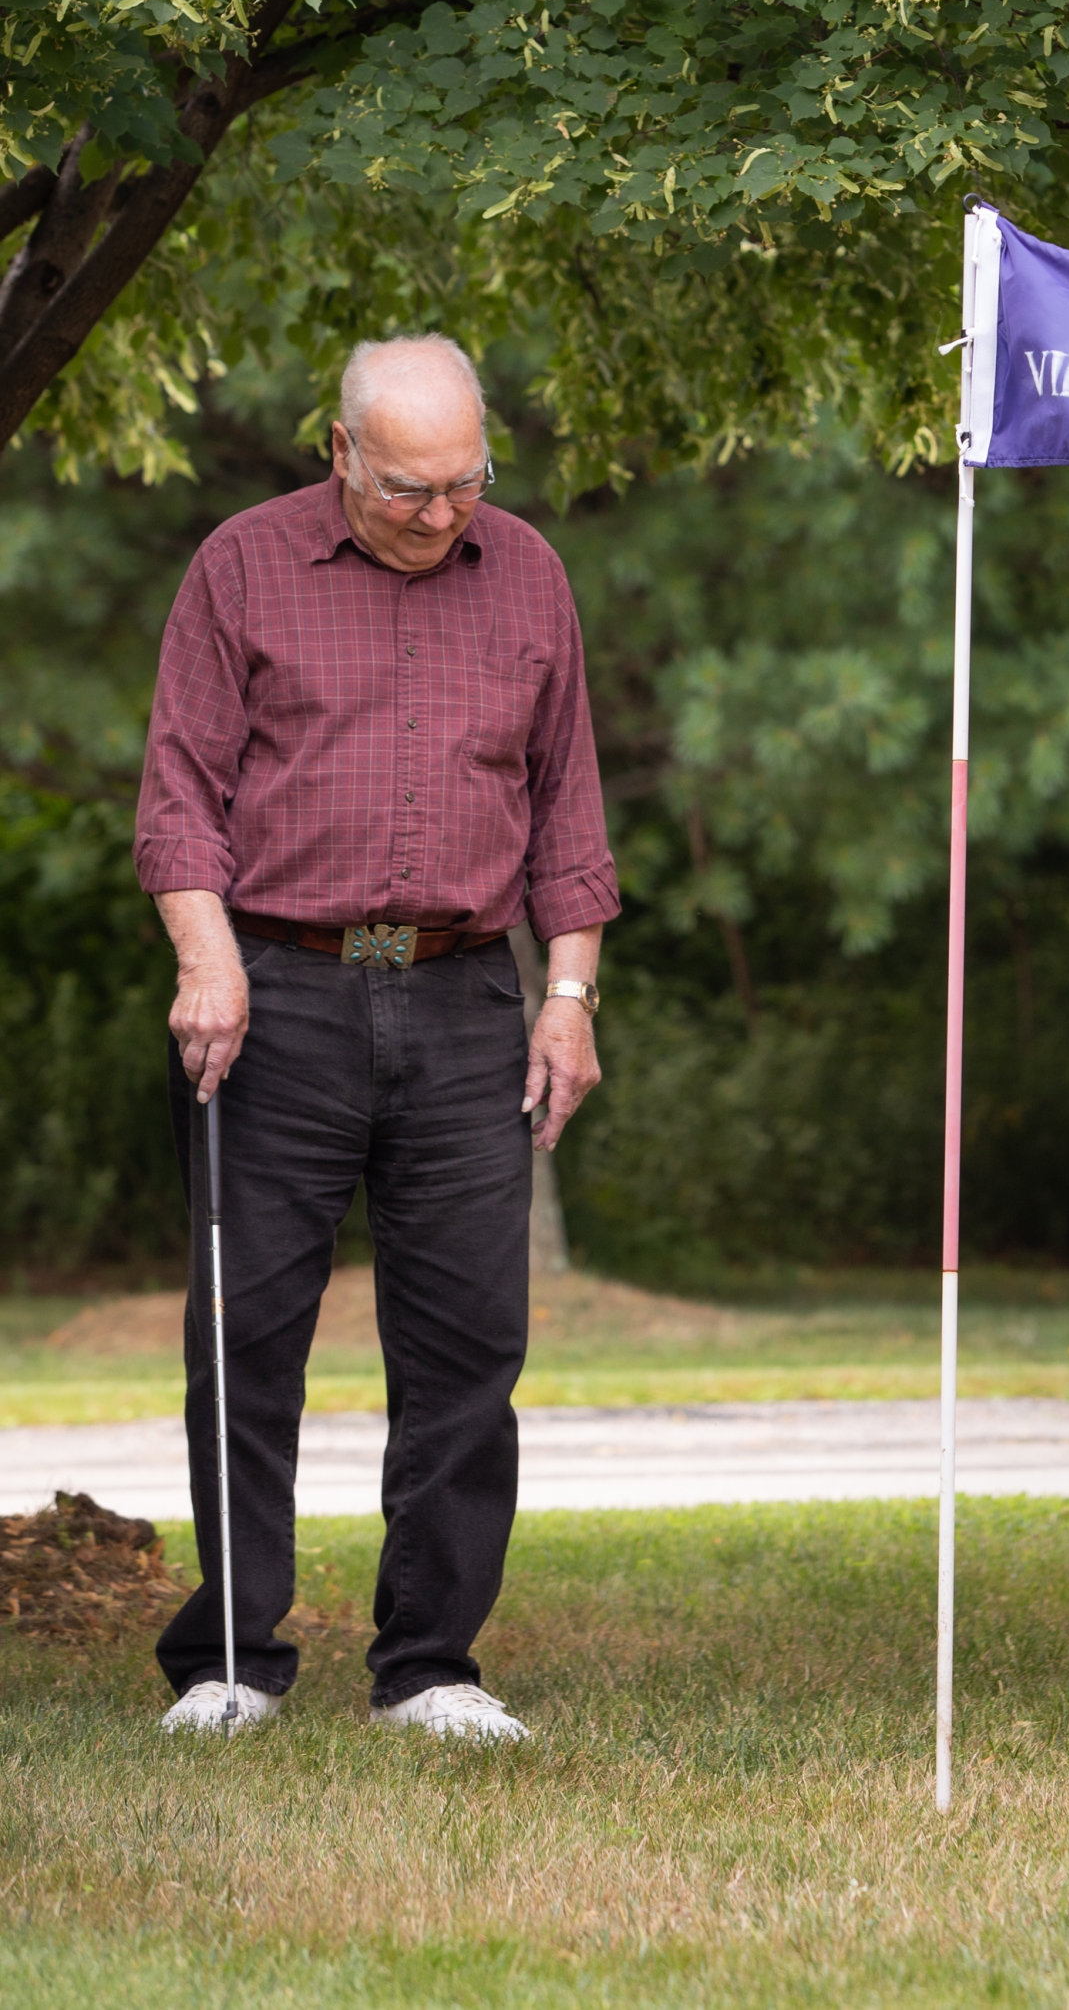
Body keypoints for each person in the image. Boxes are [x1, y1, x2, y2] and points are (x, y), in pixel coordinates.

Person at [134, 333, 619, 1741]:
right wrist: (204, 958)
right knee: (247, 1335)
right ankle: (231, 1659)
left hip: (469, 997)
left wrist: (570, 998)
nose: (440, 512)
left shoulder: (527, 571)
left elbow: (568, 810)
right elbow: (179, 794)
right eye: (408, 487)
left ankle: (431, 1668)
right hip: (270, 993)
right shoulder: (241, 565)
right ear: (338, 450)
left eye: (465, 482)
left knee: (470, 1345)